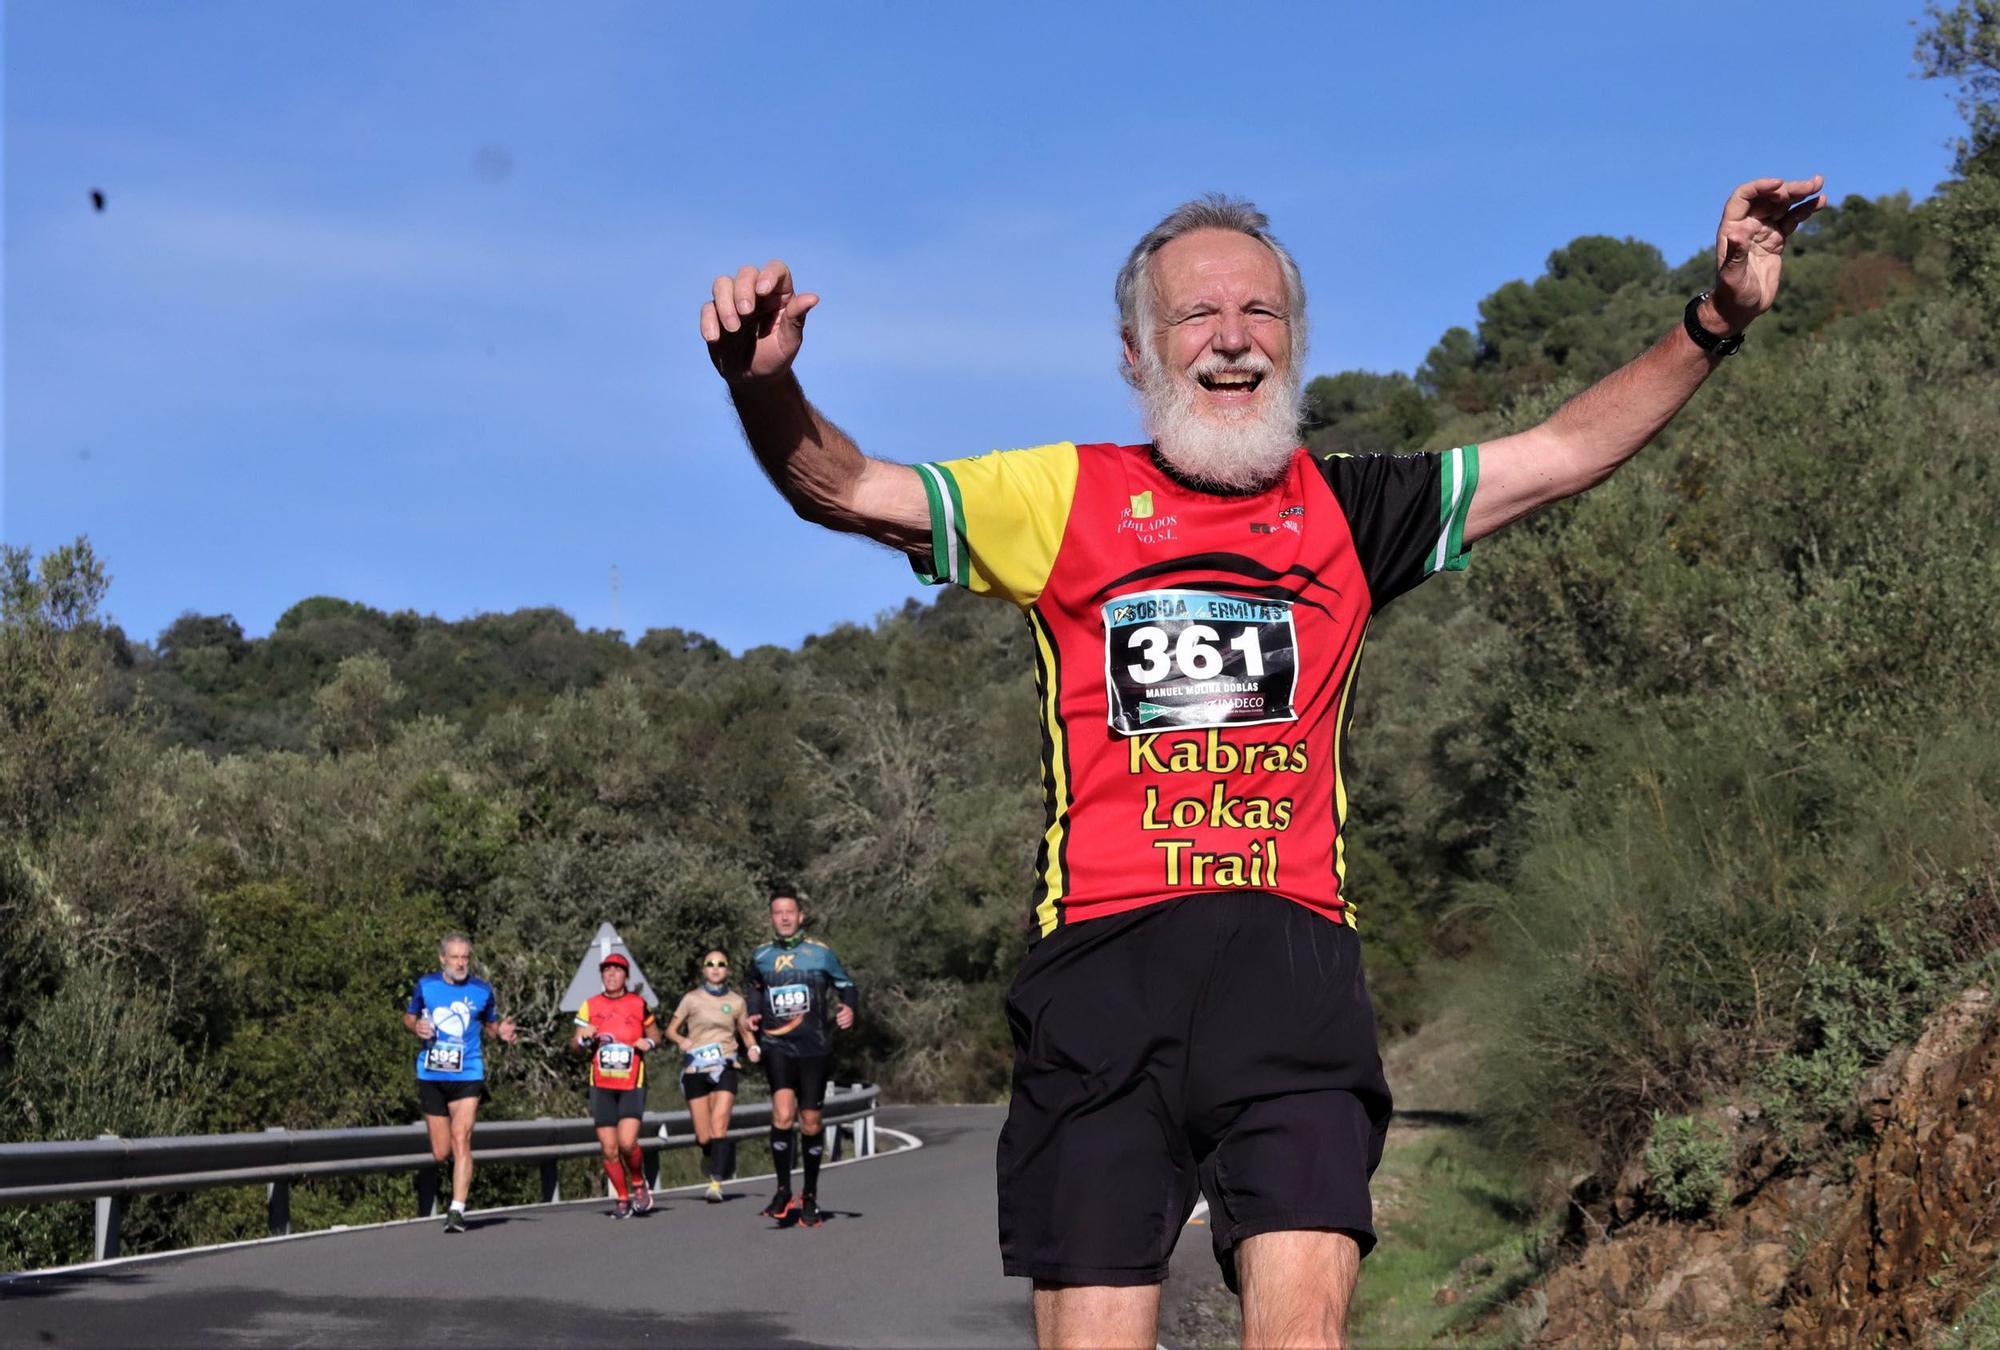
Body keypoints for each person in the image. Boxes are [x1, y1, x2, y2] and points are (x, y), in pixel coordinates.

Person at [701, 176, 1825, 1346]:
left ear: (1292, 343)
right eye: (1196, 316)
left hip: (1292, 975)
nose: (1231, 339)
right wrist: (763, 382)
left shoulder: (1350, 507)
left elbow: (1561, 450)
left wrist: (1715, 320)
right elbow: (838, 484)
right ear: (1137, 353)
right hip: (1101, 976)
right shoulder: (1060, 494)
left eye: (1260, 314)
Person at [745, 890, 857, 1228]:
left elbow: (847, 985)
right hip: (777, 1046)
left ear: (800, 916)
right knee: (782, 1115)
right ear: (771, 918)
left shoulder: (820, 954)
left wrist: (849, 1008)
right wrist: (752, 1014)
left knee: (810, 1123)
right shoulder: (761, 956)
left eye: (789, 912)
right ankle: (783, 1190)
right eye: (777, 913)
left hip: (814, 1048)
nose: (784, 918)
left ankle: (809, 1194)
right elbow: (754, 987)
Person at [404, 932, 517, 1233]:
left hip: (468, 1073)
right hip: (432, 1074)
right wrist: (417, 1026)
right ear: (442, 959)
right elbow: (409, 1017)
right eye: (454, 957)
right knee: (442, 1152)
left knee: (461, 1137)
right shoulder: (426, 986)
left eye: (465, 957)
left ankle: (457, 1210)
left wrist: (501, 1033)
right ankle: (460, 1170)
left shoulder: (482, 990)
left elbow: (491, 1026)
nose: (460, 963)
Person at [665, 947, 762, 1203]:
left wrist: (752, 1047)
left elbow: (745, 1032)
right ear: (704, 969)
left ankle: (716, 1183)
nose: (716, 968)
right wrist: (681, 1040)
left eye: (721, 963)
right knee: (703, 1135)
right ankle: (711, 1154)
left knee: (719, 1124)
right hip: (696, 1068)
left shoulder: (737, 1001)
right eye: (710, 963)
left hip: (726, 1066)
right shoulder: (691, 999)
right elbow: (670, 1030)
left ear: (727, 970)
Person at [572, 952, 661, 1219]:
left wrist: (650, 1042)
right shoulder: (589, 1006)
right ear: (602, 975)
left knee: (627, 1142)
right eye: (607, 971)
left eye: (617, 970)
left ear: (625, 976)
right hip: (601, 1083)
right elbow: (574, 1046)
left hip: (632, 1081)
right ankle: (622, 1199)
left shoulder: (638, 1003)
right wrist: (581, 1039)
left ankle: (638, 1182)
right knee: (609, 1148)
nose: (611, 975)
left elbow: (654, 1032)